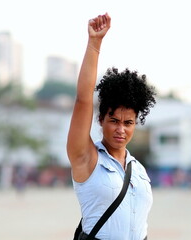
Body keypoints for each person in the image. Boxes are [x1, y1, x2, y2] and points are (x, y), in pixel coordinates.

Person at [67, 13, 156, 240]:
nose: (121, 129)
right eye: (114, 121)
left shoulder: (138, 170)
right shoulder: (86, 158)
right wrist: (94, 45)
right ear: (101, 120)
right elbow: (83, 100)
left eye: (128, 123)